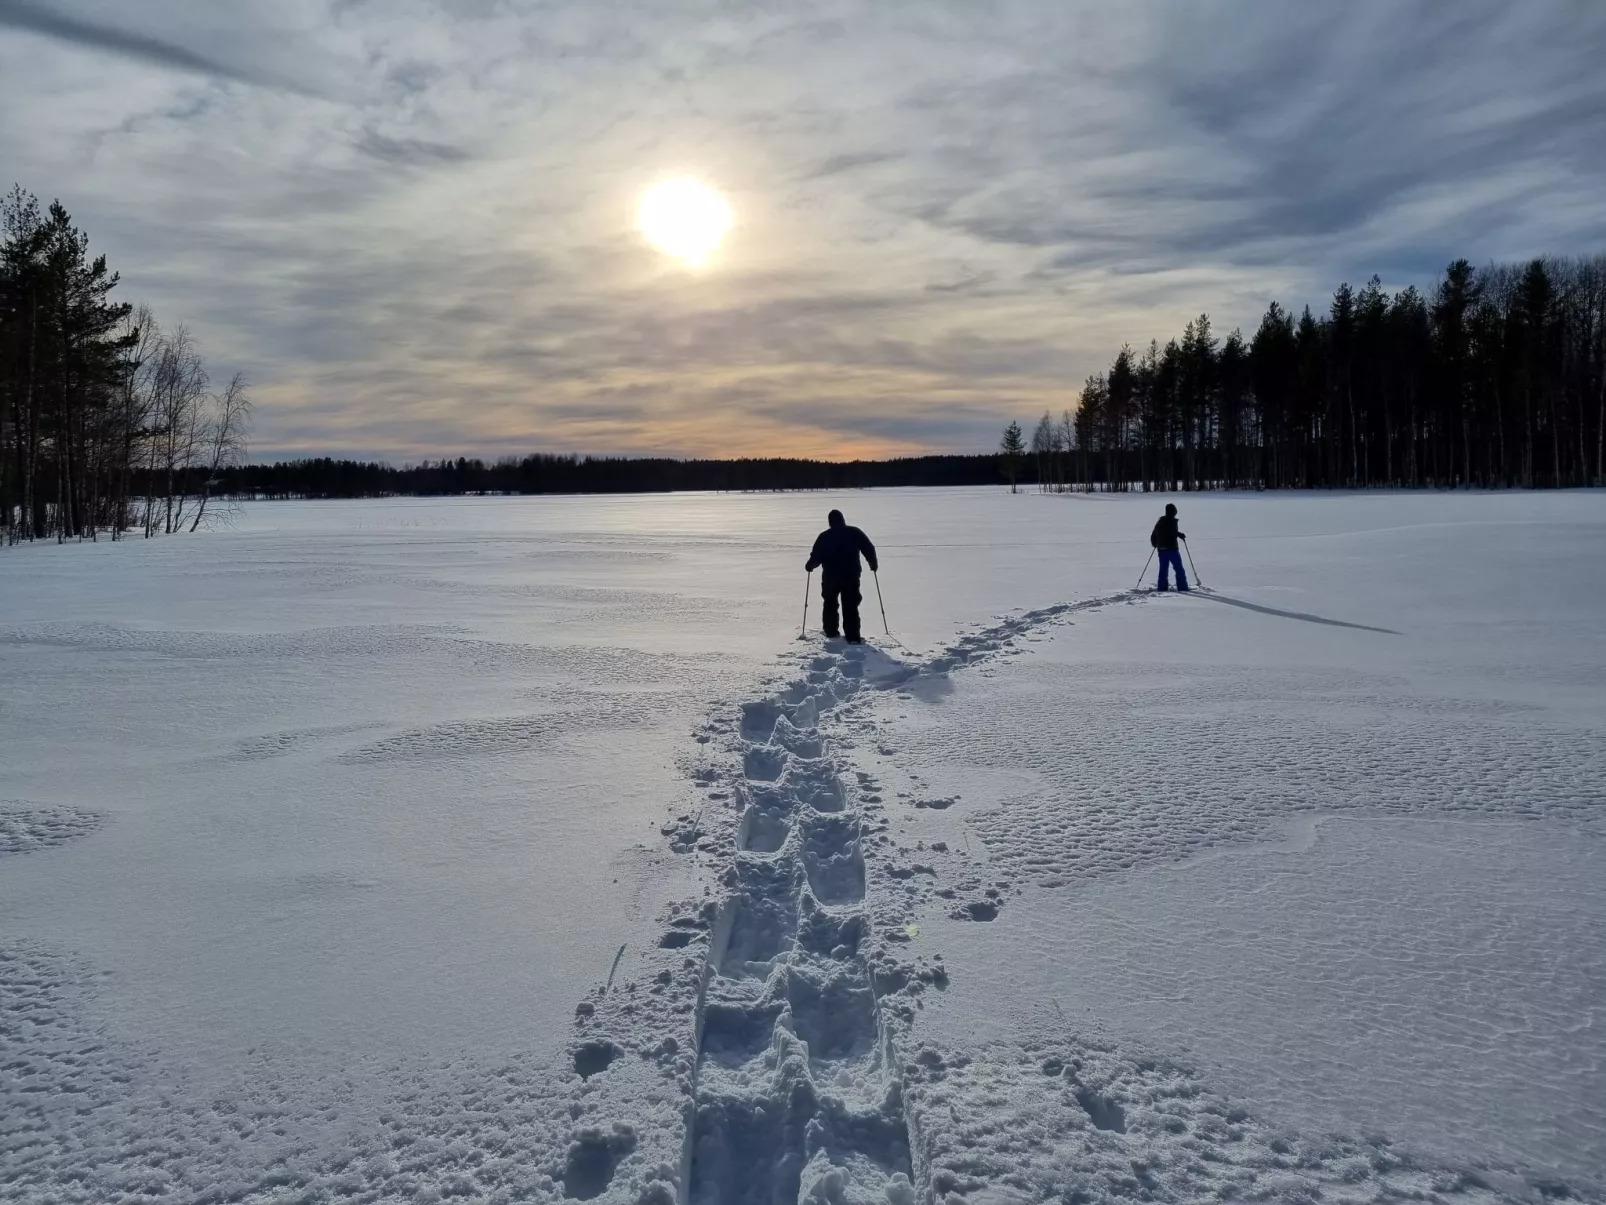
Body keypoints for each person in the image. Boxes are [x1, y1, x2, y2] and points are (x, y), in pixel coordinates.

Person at [805, 509, 878, 642]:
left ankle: (831, 632)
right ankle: (853, 636)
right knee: (850, 604)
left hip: (830, 577)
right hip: (851, 575)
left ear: (830, 522)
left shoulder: (824, 536)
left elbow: (816, 556)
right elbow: (868, 548)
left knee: (830, 603)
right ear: (843, 520)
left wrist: (810, 565)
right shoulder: (854, 532)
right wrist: (873, 563)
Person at [1150, 503, 1189, 592]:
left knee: (1163, 570)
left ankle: (1162, 588)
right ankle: (1183, 588)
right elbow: (1171, 533)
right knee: (1179, 568)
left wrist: (1155, 543)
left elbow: (1154, 534)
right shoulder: (1171, 521)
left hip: (1161, 550)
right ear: (1173, 512)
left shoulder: (1160, 521)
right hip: (1171, 549)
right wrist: (1180, 535)